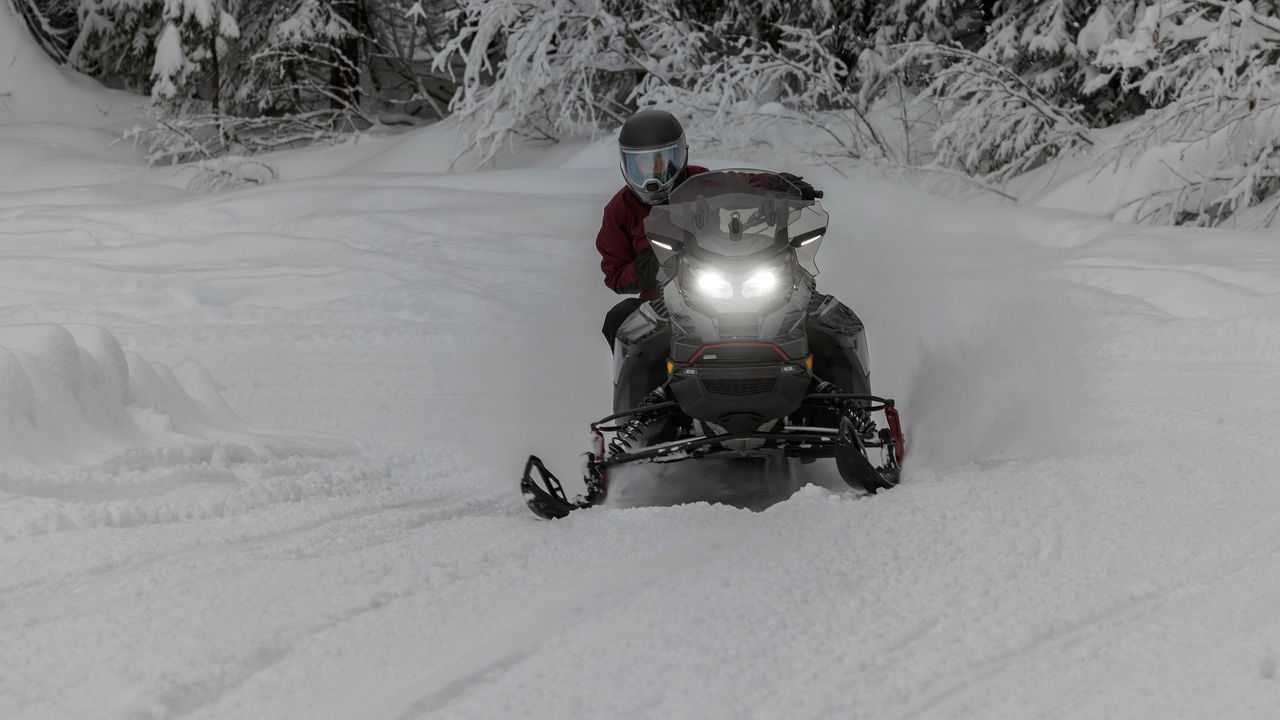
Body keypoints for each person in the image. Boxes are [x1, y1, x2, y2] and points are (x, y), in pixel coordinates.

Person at [596, 110, 816, 347]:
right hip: (664, 301)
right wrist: (651, 265)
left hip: (722, 280)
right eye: (643, 164)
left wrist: (776, 186)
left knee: (804, 308)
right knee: (619, 319)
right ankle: (636, 382)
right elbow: (614, 274)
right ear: (627, 164)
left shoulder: (698, 182)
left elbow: (738, 183)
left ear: (681, 155)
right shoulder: (620, 209)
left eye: (663, 160)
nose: (655, 174)